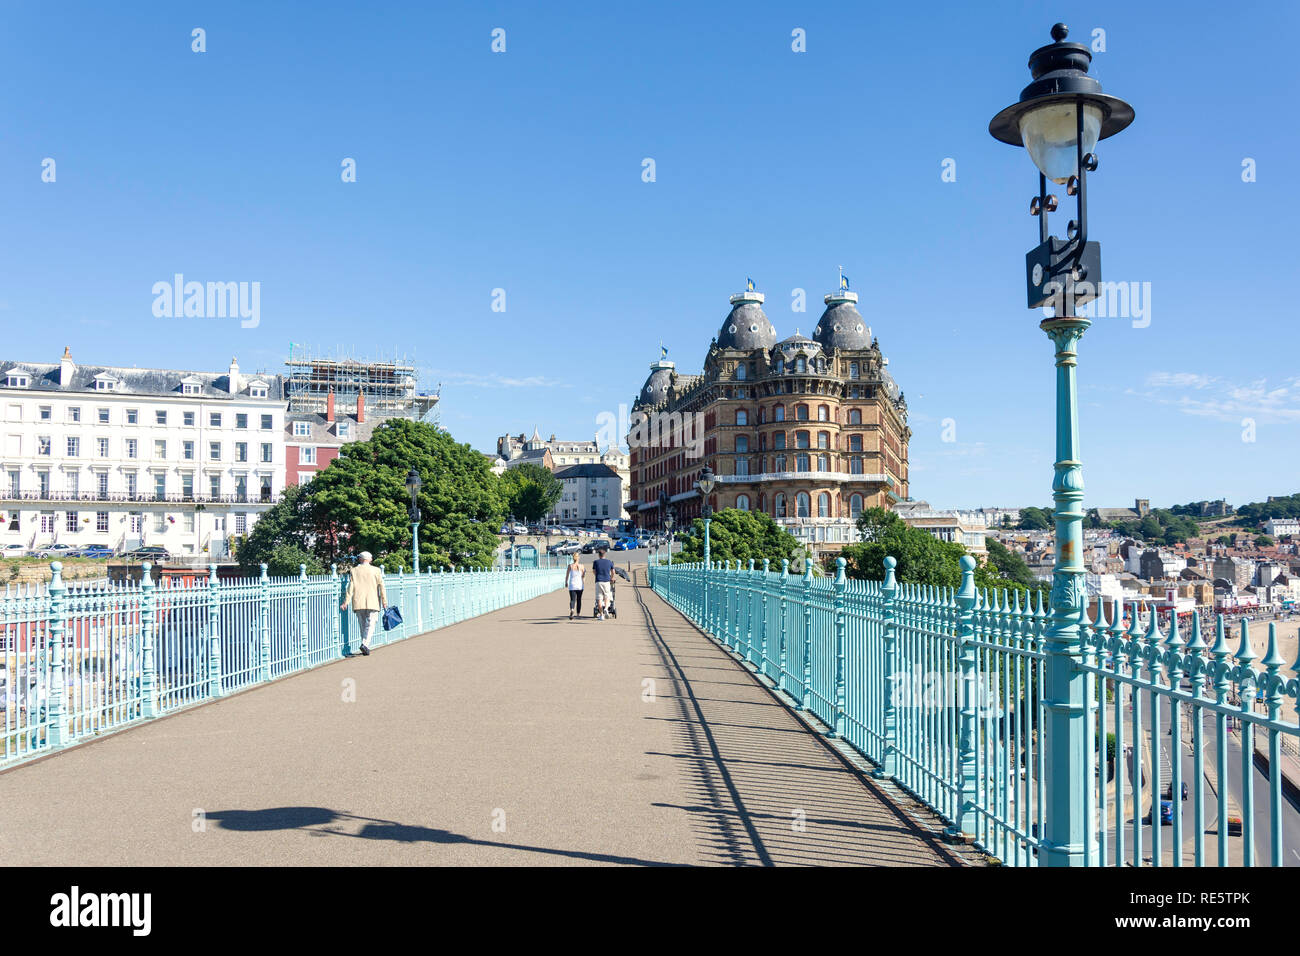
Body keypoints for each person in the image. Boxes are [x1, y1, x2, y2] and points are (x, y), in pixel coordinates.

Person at [341, 551, 387, 656]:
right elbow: (382, 587)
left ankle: (364, 645)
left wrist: (346, 602)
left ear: (360, 559)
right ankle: (365, 644)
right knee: (370, 625)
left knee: (362, 626)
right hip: (373, 601)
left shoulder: (354, 570)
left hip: (358, 602)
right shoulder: (376, 570)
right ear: (370, 559)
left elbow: (350, 588)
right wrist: (384, 601)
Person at [592, 546, 617, 620]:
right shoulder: (609, 562)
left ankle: (601, 615)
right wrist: (612, 577)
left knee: (599, 599)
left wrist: (597, 575)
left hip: (598, 581)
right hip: (607, 581)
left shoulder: (596, 562)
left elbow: (594, 571)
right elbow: (613, 571)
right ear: (605, 554)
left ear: (599, 555)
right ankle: (606, 608)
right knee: (607, 596)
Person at [565, 553, 585, 620]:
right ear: (578, 558)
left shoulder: (570, 566)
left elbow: (567, 575)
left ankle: (572, 609)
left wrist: (566, 582)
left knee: (572, 599)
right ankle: (578, 614)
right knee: (579, 600)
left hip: (572, 585)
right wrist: (583, 582)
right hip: (580, 585)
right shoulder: (582, 566)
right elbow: (583, 576)